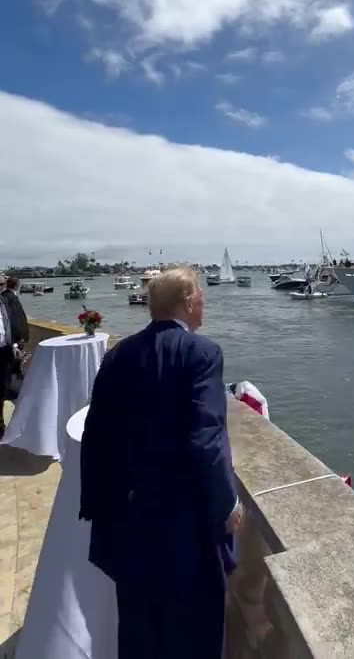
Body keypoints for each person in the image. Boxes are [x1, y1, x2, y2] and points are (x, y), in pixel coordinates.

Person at [80, 267, 241, 659]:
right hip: (186, 530)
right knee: (195, 636)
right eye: (200, 294)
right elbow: (206, 439)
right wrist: (228, 503)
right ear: (187, 303)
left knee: (139, 636)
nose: (203, 300)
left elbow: (95, 435)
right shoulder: (203, 353)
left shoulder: (117, 354)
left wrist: (97, 508)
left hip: (128, 524)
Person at [0, 275, 13, 438]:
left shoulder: (4, 302)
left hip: (4, 350)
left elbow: (8, 326)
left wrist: (14, 346)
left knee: (3, 387)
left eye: (2, 284)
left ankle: (0, 421)